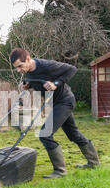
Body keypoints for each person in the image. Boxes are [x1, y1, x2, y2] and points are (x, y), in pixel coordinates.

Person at [10, 48, 100, 178]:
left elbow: (72, 69)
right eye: (16, 68)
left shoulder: (47, 65)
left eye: (20, 66)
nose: (18, 70)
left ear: (28, 59)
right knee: (73, 133)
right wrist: (27, 85)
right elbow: (35, 81)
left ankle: (60, 171)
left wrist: (56, 84)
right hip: (55, 104)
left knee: (45, 134)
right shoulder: (28, 72)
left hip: (65, 101)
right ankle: (94, 163)